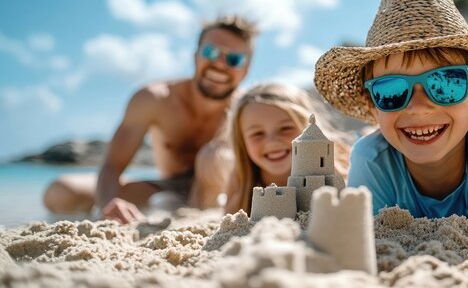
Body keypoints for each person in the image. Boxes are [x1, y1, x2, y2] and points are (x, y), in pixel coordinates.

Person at [314, 0, 468, 232]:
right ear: (373, 107)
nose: (419, 107)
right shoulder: (372, 159)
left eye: (446, 83)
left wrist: (416, 230)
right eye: (390, 92)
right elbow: (367, 238)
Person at [43, 15, 259, 223]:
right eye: (212, 52)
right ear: (196, 56)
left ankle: (200, 212)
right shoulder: (154, 99)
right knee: (62, 192)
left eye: (234, 59)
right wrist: (109, 204)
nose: (220, 64)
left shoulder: (249, 108)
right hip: (168, 188)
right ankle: (164, 206)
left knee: (212, 157)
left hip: (219, 193)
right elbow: (111, 165)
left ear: (246, 69)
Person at [223, 83, 350, 216]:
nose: (272, 142)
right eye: (257, 133)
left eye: (285, 128)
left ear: (305, 127)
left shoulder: (337, 170)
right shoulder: (241, 181)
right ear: (242, 143)